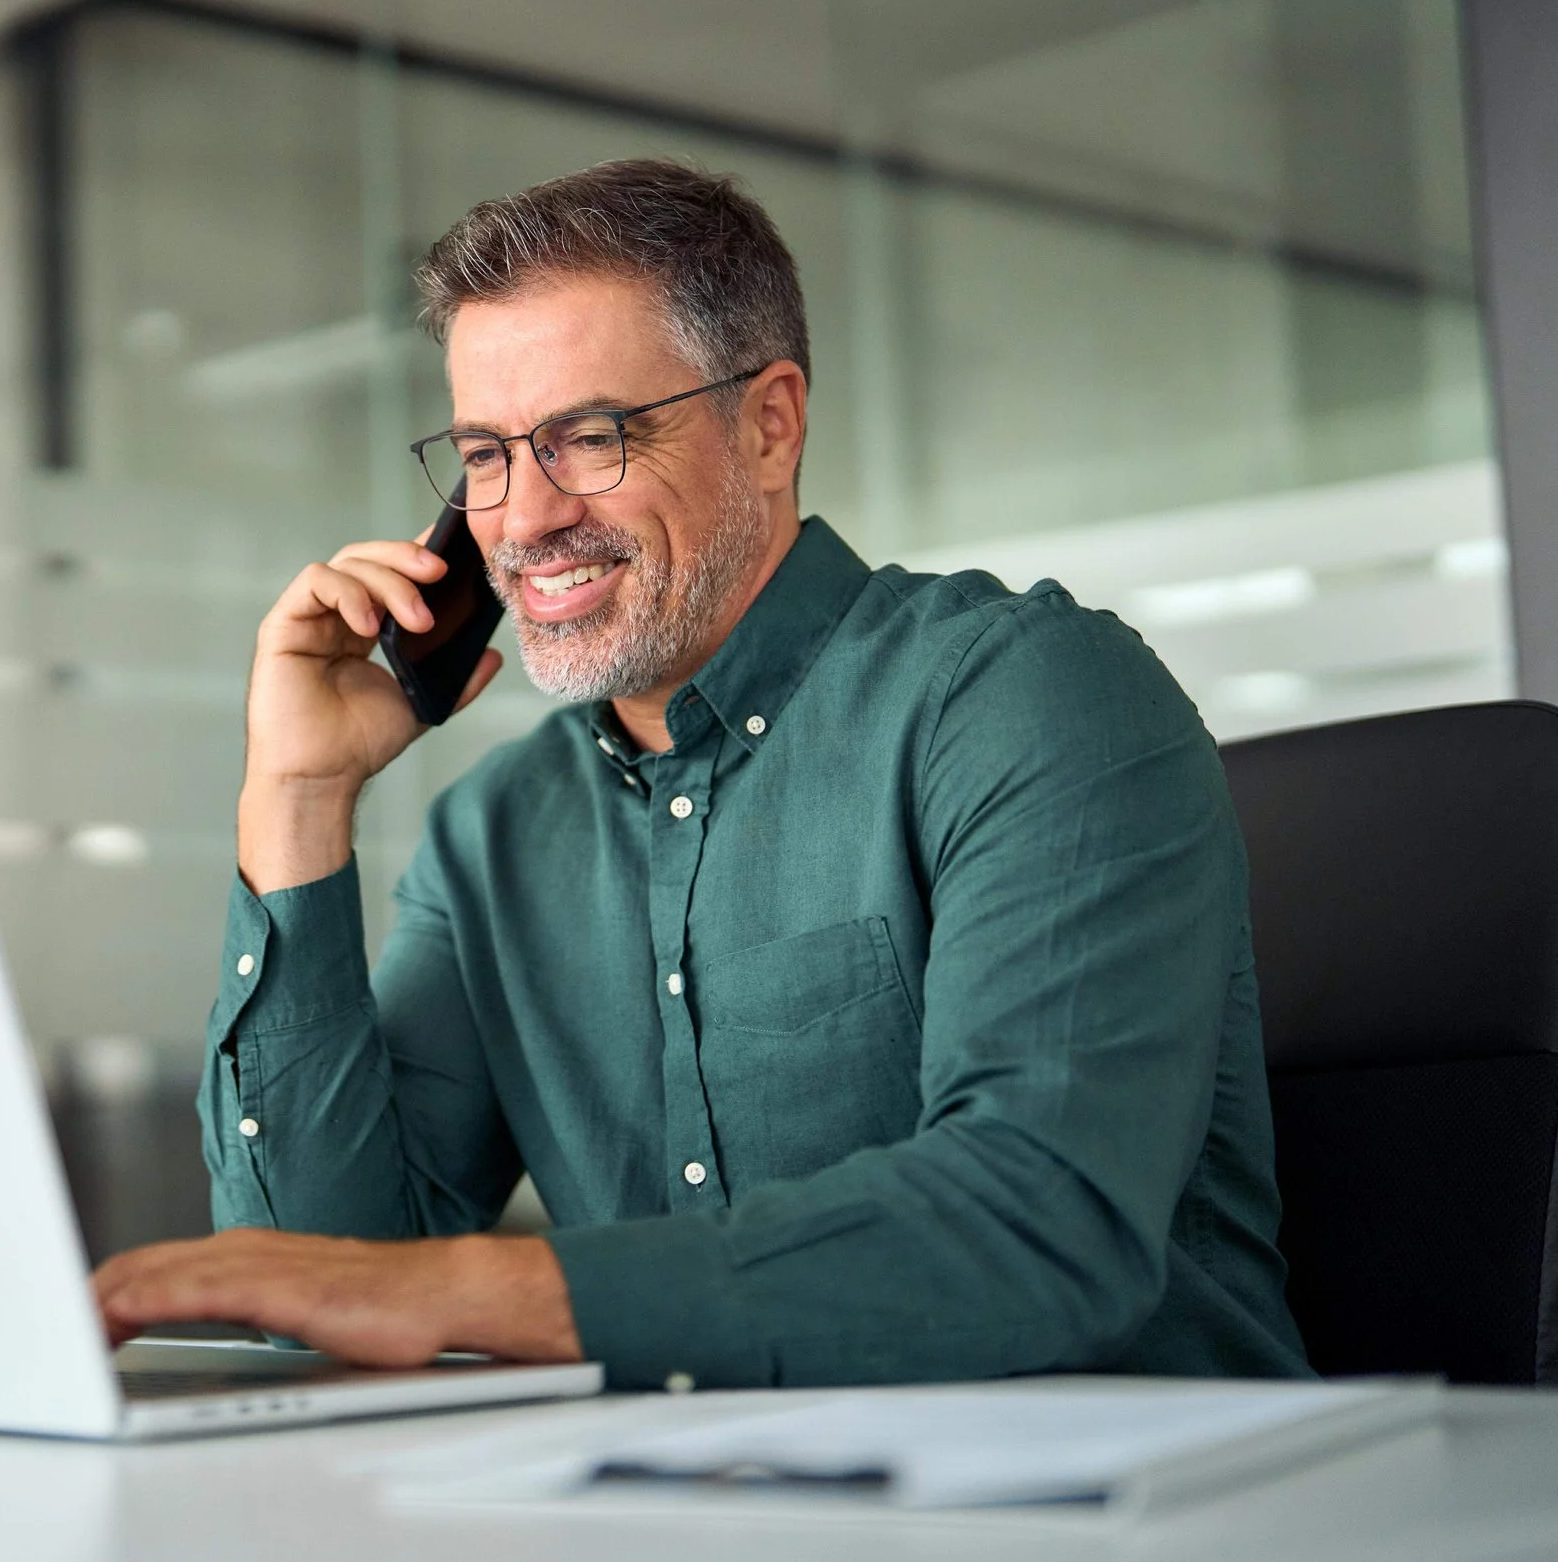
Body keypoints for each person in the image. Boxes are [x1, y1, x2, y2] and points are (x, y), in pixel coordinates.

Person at [89, 160, 1310, 1390]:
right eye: (486, 454)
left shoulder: (1021, 696)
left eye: (587, 436)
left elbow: (1036, 1223)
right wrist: (295, 799)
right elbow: (326, 1279)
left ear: (769, 423)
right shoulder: (494, 834)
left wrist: (484, 1288)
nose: (519, 519)